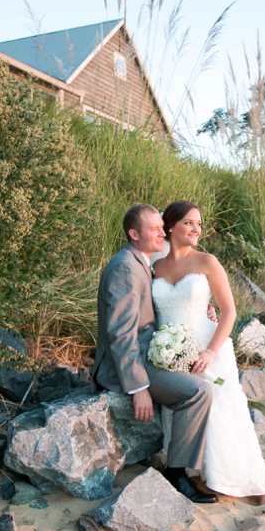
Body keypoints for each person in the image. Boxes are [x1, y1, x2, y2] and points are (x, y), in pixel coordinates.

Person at [92, 203, 217, 504]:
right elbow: (120, 334)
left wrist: (203, 310)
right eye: (154, 229)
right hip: (129, 364)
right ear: (134, 234)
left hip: (149, 353)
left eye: (162, 226)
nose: (162, 232)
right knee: (200, 391)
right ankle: (176, 473)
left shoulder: (142, 260)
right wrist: (139, 388)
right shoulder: (124, 267)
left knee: (204, 380)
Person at [152, 200, 265, 505]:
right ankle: (182, 469)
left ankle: (226, 477)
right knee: (183, 404)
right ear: (169, 227)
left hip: (209, 347)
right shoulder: (154, 265)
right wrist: (163, 348)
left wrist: (209, 352)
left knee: (220, 406)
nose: (196, 229)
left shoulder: (207, 262)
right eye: (189, 223)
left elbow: (229, 312)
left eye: (199, 224)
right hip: (170, 351)